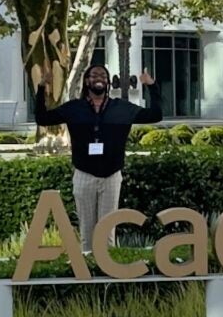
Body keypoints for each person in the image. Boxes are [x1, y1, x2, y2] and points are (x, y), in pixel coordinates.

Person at [34, 65, 161, 254]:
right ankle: (87, 272)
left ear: (108, 82)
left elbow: (155, 115)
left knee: (108, 231)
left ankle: (107, 274)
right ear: (87, 81)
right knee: (87, 231)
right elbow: (42, 118)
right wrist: (42, 88)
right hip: (84, 174)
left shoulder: (122, 108)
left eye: (103, 75)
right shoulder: (74, 108)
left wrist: (152, 86)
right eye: (94, 75)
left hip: (111, 176)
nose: (99, 78)